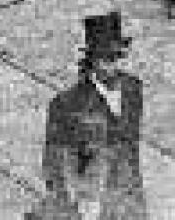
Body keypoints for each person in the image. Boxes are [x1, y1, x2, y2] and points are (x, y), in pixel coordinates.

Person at [34, 12, 146, 220]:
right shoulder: (66, 103)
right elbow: (53, 164)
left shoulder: (133, 89)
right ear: (91, 59)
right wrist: (76, 202)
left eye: (117, 57)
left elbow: (132, 151)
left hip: (130, 203)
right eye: (105, 58)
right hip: (89, 204)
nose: (112, 66)